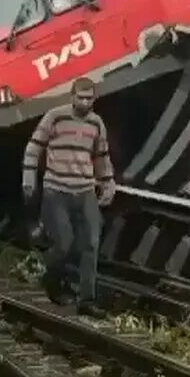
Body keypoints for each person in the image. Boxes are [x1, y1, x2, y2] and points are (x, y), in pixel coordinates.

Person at [22, 77, 115, 316]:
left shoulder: (97, 123)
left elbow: (101, 156)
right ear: (72, 96)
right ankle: (52, 281)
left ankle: (86, 300)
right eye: (80, 97)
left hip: (85, 190)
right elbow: (34, 147)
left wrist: (108, 182)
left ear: (94, 99)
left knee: (91, 244)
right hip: (56, 189)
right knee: (63, 243)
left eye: (89, 98)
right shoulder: (55, 117)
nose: (84, 102)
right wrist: (29, 177)